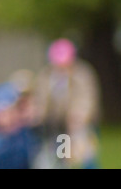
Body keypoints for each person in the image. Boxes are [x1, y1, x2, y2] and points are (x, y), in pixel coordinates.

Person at [33, 38, 100, 168]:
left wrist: (80, 115)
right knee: (60, 154)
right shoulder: (46, 76)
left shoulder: (82, 74)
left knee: (85, 155)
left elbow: (86, 97)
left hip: (79, 123)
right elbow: (41, 98)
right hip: (56, 124)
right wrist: (40, 114)